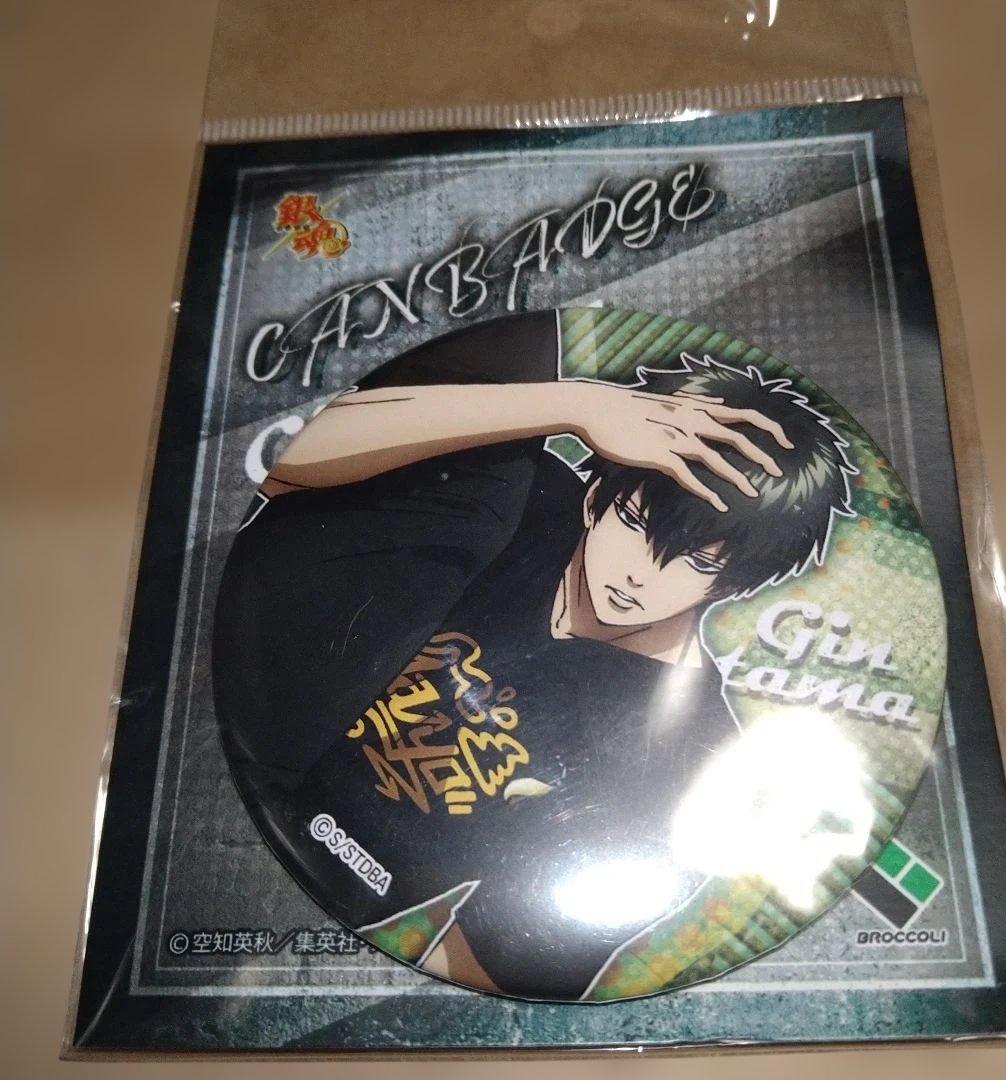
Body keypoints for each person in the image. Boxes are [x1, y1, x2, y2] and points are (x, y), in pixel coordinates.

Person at [212, 310, 854, 1000]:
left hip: (317, 905)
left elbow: (503, 963)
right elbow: (284, 468)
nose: (638, 573)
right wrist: (575, 405)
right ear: (599, 496)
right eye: (633, 522)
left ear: (730, 583)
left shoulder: (690, 758)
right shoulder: (514, 492)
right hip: (219, 735)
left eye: (696, 561)